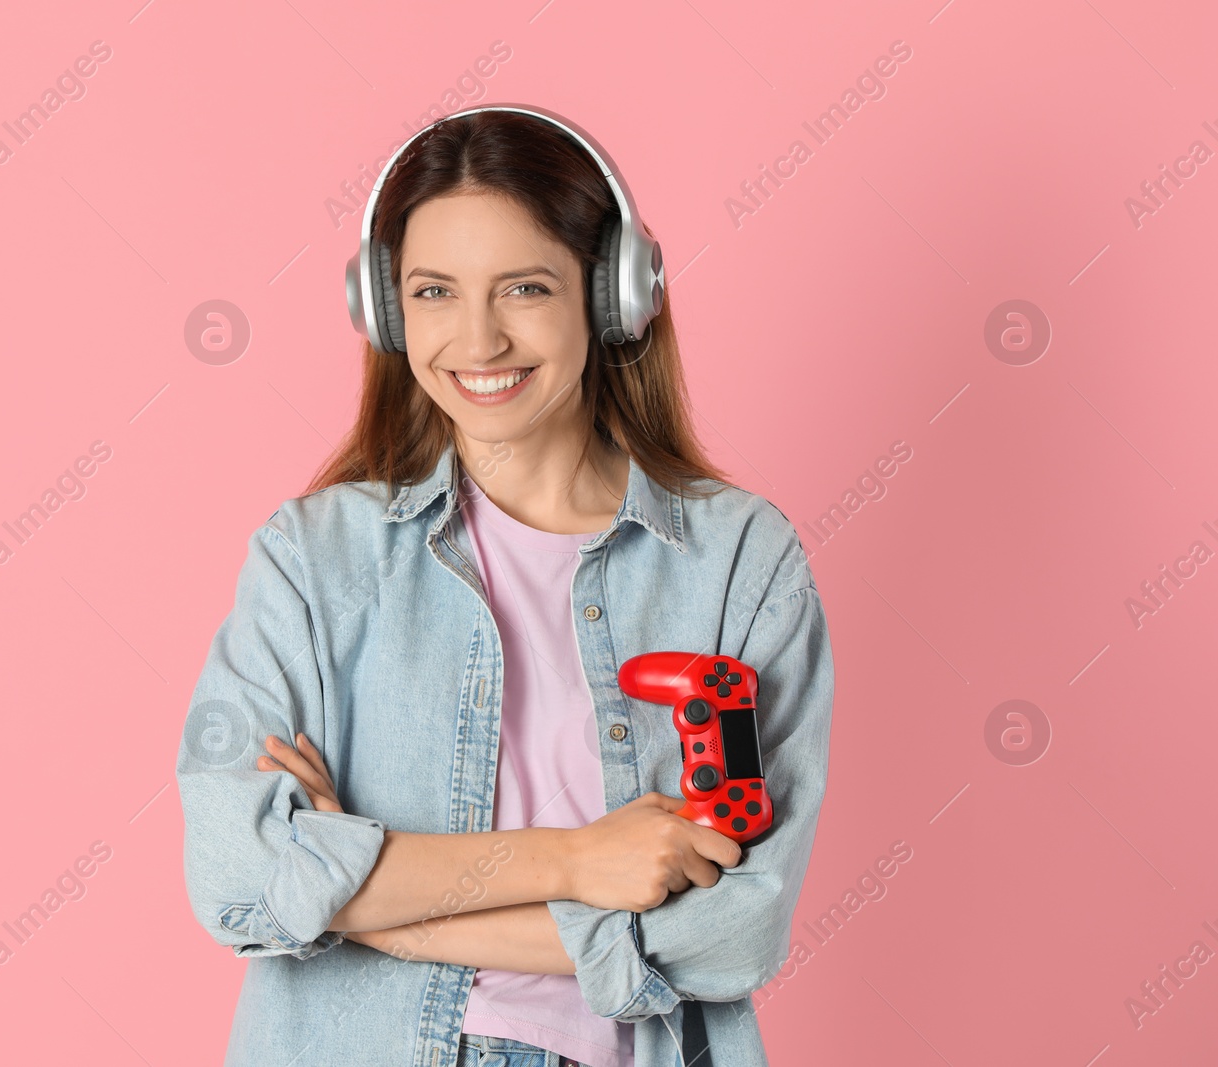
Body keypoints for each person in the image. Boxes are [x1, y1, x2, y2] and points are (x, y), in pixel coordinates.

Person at [176, 104, 834, 1067]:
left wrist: (370, 906)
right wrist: (578, 860)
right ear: (388, 310)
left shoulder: (740, 561)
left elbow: (736, 932)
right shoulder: (314, 560)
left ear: (611, 297)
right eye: (435, 291)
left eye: (524, 288)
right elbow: (238, 872)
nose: (477, 341)